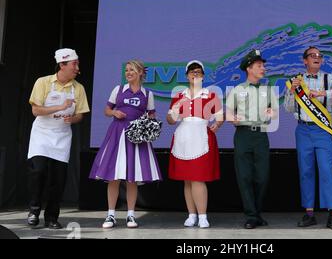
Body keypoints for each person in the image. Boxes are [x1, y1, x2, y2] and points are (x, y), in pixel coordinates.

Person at [89, 60, 162, 229]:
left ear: (140, 73)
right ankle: (111, 215)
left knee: (132, 178)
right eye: (126, 70)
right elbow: (107, 110)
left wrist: (148, 125)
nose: (128, 73)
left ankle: (130, 215)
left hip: (136, 138)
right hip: (117, 134)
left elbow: (151, 115)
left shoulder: (147, 94)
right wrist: (114, 112)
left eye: (132, 70)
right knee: (113, 177)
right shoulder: (119, 89)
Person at [284, 46, 332, 231]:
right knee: (306, 171)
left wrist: (324, 93)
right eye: (312, 55)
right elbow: (289, 109)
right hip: (303, 130)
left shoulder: (330, 78)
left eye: (320, 56)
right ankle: (309, 213)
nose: (317, 58)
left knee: (326, 170)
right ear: (305, 60)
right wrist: (291, 92)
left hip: (323, 130)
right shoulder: (296, 81)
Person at [27, 48, 90, 229]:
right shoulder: (43, 82)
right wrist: (60, 107)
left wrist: (73, 118)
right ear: (62, 65)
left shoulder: (78, 88)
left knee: (58, 179)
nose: (77, 68)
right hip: (42, 135)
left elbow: (81, 115)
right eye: (74, 64)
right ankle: (34, 209)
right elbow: (36, 110)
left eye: (77, 63)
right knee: (38, 171)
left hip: (62, 137)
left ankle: (51, 217)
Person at [226, 49, 279, 229]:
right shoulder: (237, 90)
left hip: (261, 135)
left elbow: (275, 110)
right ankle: (251, 216)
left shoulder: (269, 90)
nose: (263, 68)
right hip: (243, 135)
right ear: (249, 68)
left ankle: (256, 213)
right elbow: (228, 111)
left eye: (263, 65)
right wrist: (231, 118)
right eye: (259, 65)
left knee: (262, 177)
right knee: (244, 176)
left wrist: (273, 112)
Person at [167, 60, 223, 228]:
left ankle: (203, 216)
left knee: (198, 178)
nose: (195, 74)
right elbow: (170, 120)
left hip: (201, 136)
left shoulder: (210, 95)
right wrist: (175, 112)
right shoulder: (179, 96)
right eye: (192, 72)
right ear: (187, 76)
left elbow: (220, 116)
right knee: (187, 180)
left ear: (203, 76)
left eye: (198, 71)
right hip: (183, 137)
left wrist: (217, 124)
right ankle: (191, 215)